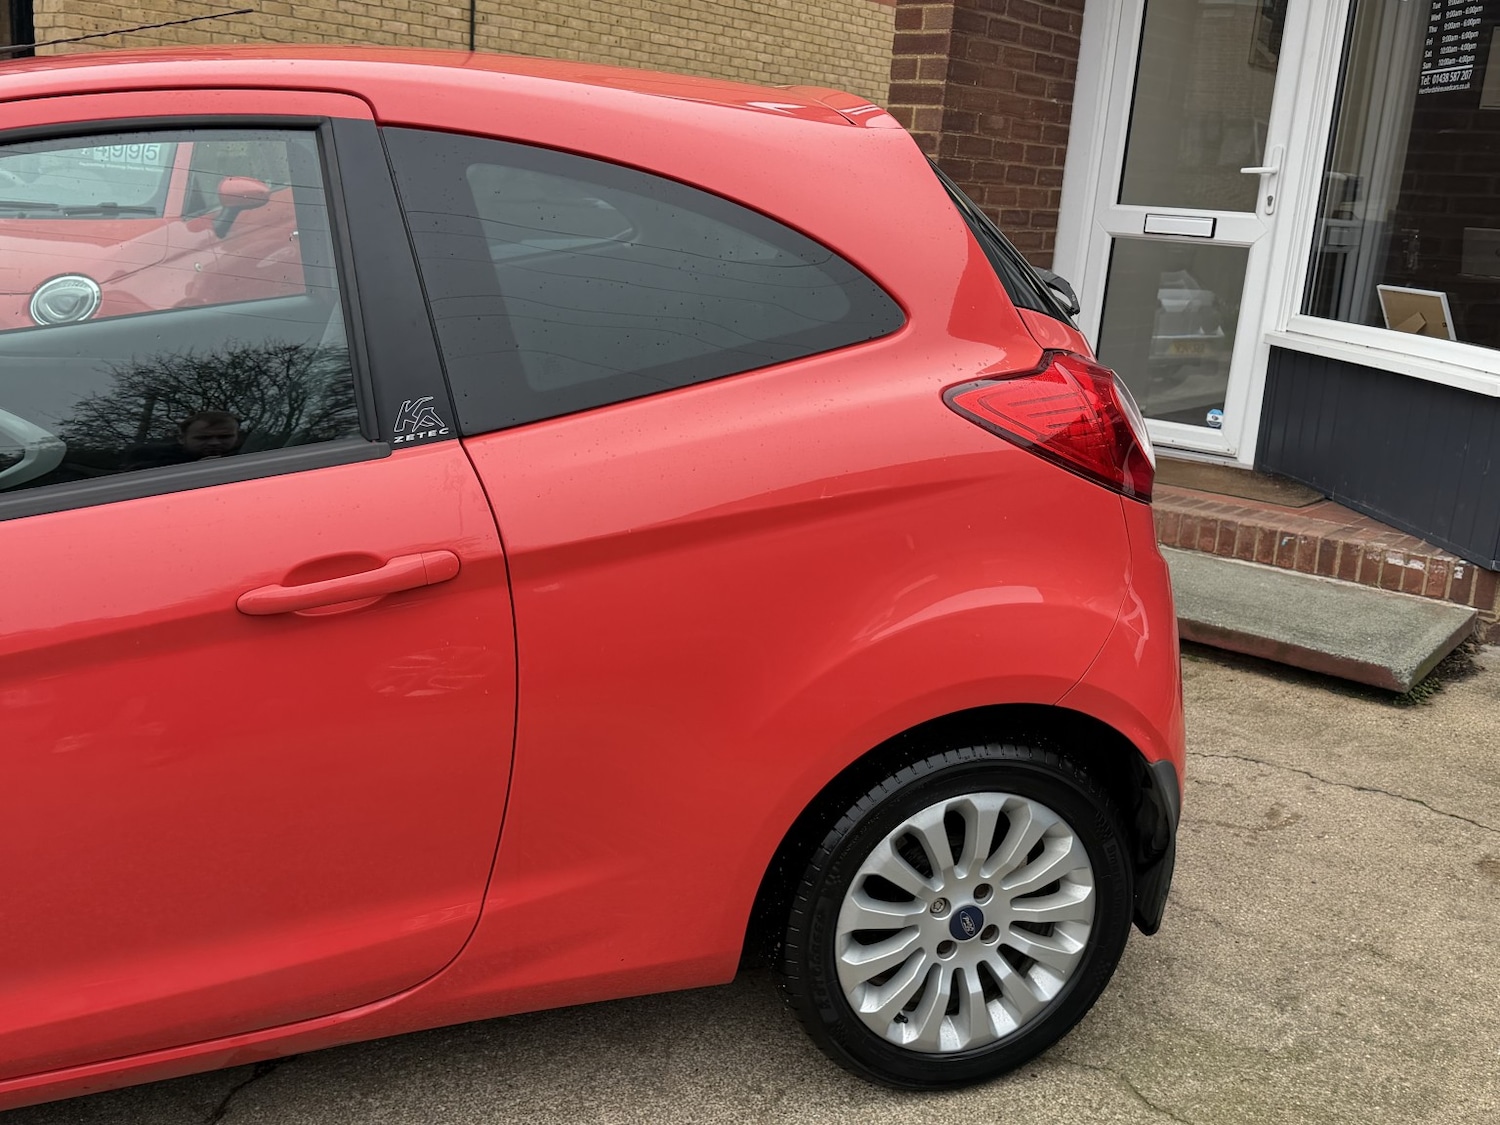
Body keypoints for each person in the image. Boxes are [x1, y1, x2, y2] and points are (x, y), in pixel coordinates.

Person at [122, 410, 244, 470]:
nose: (214, 443)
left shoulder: (249, 456)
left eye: (225, 437)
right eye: (203, 438)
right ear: (181, 439)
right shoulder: (151, 461)